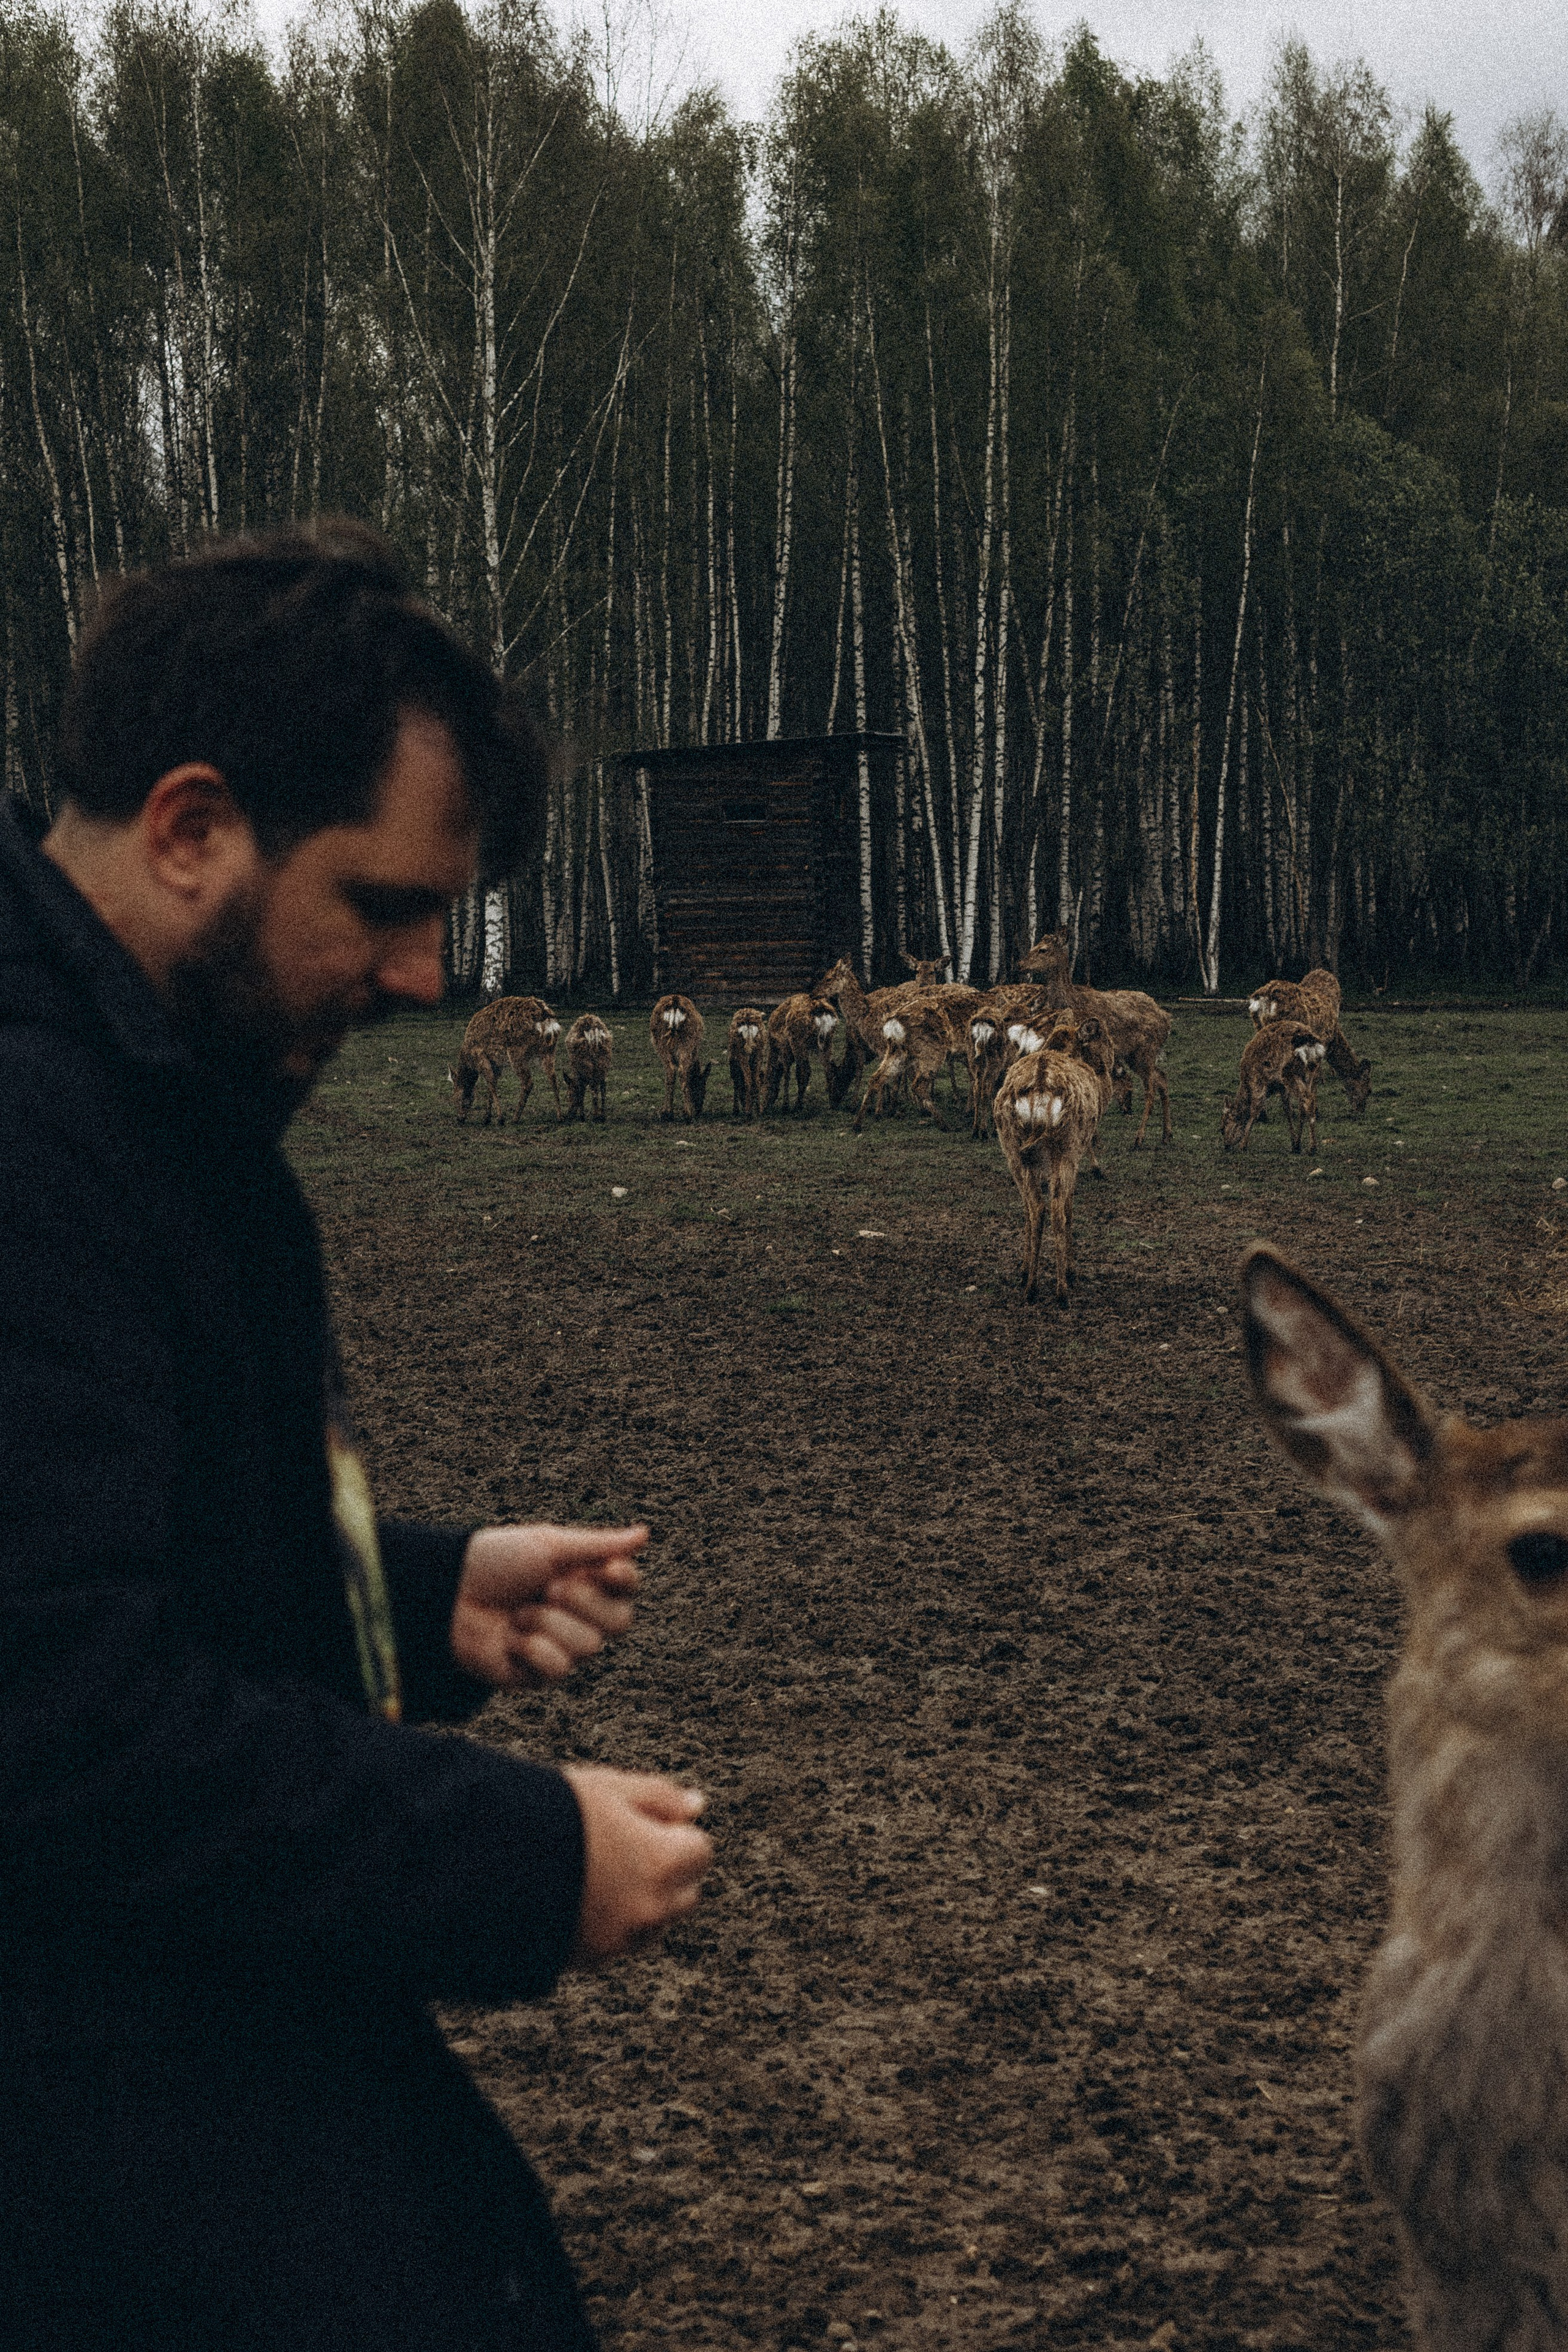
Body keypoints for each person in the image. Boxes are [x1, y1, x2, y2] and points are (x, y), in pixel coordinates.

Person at [0, 522, 712, 2352]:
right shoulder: (35, 1147)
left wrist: (404, 1598)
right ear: (191, 829)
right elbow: (59, 1725)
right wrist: (523, 1858)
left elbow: (104, 1564)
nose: (423, 978)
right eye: (385, 906)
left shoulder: (141, 1100)